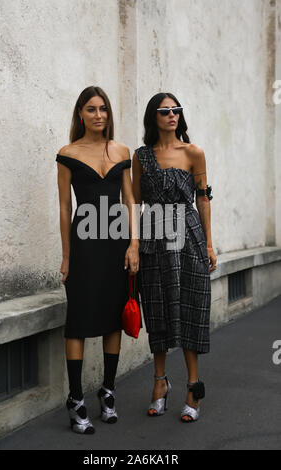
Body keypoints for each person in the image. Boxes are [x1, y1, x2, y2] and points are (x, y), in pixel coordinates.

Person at [56, 86, 139, 434]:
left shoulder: (120, 150)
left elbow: (130, 200)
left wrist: (134, 244)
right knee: (78, 319)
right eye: (91, 109)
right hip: (84, 245)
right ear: (80, 114)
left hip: (116, 243)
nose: (99, 115)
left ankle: (107, 390)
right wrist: (66, 257)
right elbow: (64, 208)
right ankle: (76, 399)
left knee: (111, 317)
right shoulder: (67, 153)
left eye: (103, 109)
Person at [132, 92, 217, 423]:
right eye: (165, 111)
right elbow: (136, 203)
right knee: (157, 308)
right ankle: (159, 383)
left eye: (176, 110)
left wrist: (209, 244)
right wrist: (134, 244)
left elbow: (204, 198)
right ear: (153, 117)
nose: (172, 115)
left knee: (190, 307)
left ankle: (193, 387)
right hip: (154, 239)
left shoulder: (193, 152)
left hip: (189, 237)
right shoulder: (142, 157)